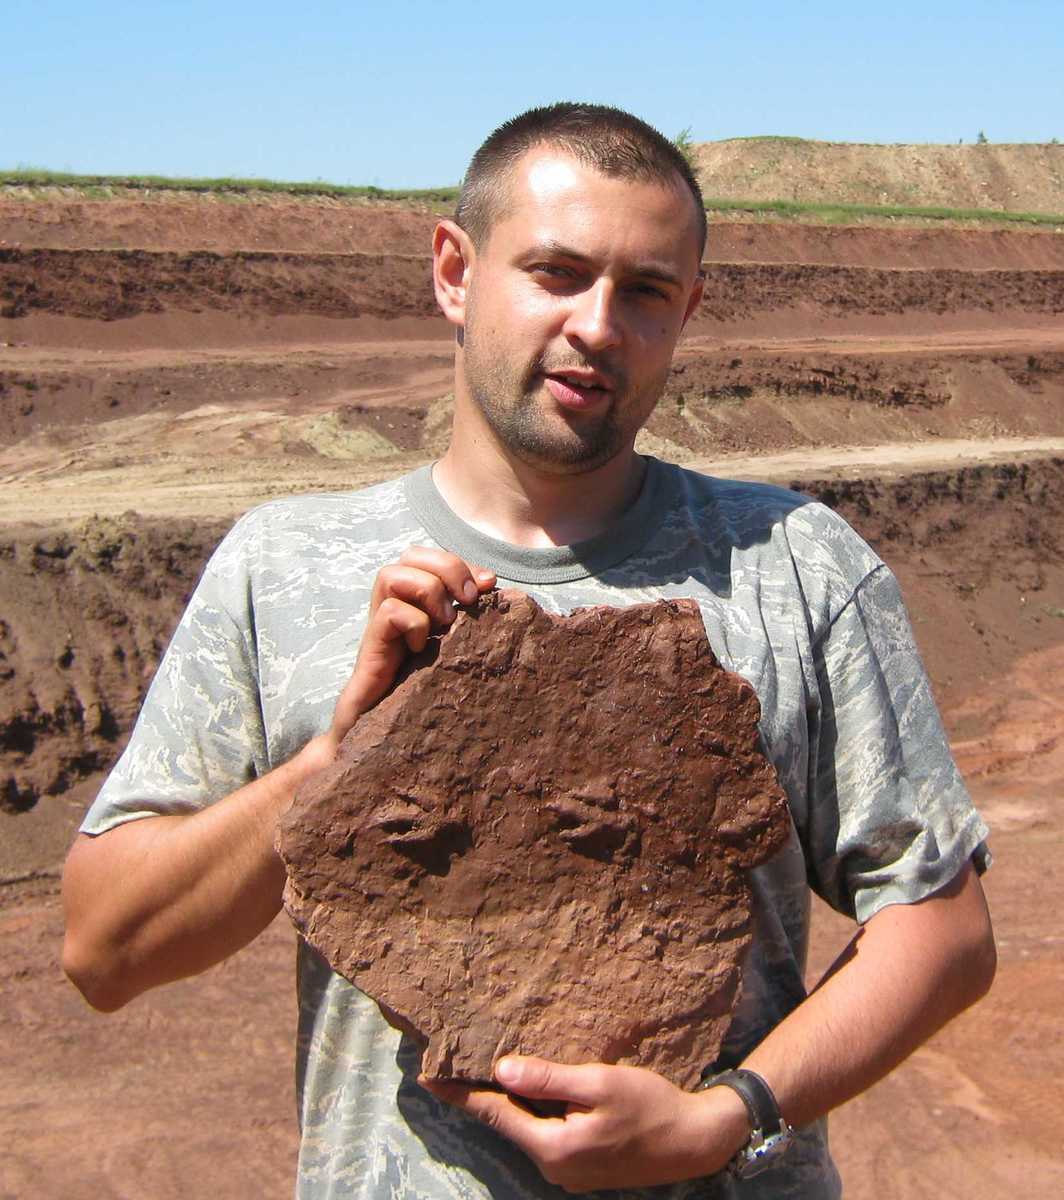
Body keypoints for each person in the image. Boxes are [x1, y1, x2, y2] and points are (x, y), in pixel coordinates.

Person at [61, 103, 995, 1199]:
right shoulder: (281, 566)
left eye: (644, 291)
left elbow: (942, 925)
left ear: (687, 310)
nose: (597, 325)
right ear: (454, 272)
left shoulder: (796, 566)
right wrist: (339, 767)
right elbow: (105, 950)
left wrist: (721, 1117)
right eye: (554, 273)